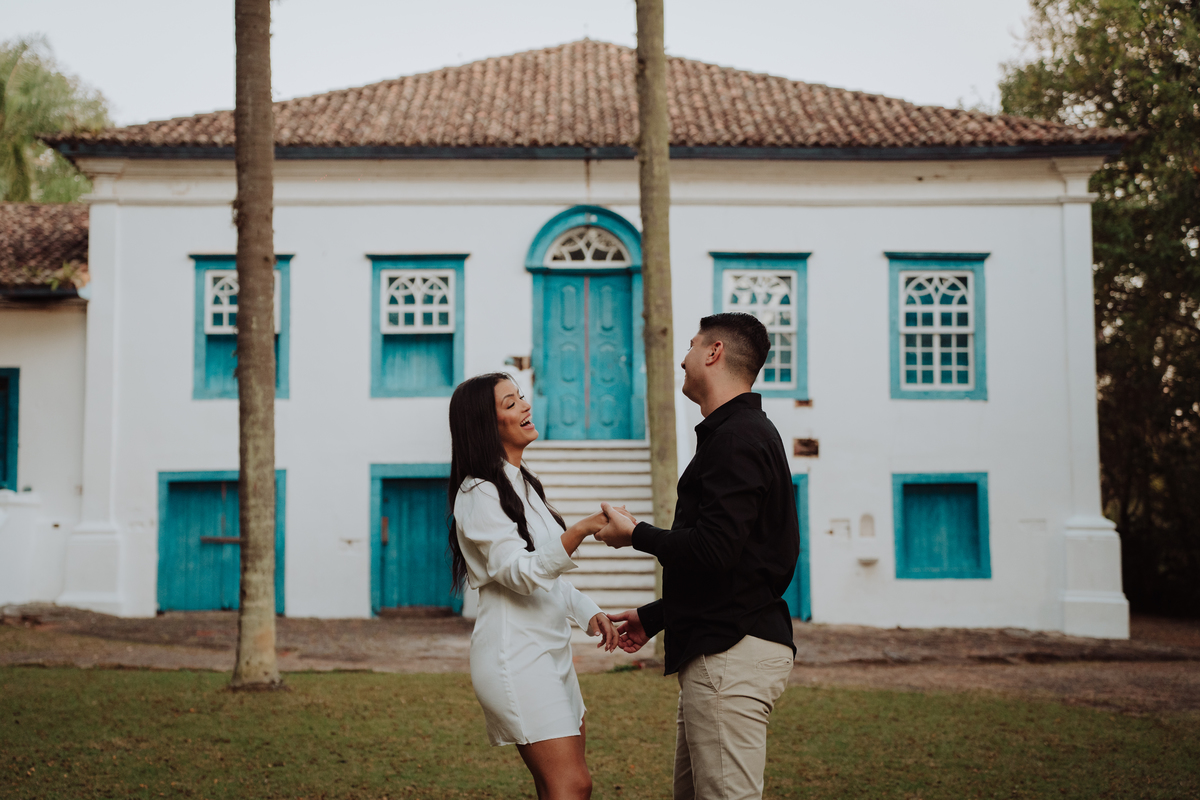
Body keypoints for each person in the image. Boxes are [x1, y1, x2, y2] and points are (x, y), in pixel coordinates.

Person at [596, 313, 800, 800]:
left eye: (690, 345)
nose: (682, 359)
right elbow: (738, 565)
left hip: (731, 655)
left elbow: (714, 550)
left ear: (714, 353)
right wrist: (657, 616)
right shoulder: (739, 433)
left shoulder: (737, 438)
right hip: (723, 647)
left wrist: (636, 534)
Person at [448, 372, 619, 800]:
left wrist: (588, 612)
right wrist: (580, 529)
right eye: (510, 403)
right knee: (572, 784)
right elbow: (519, 574)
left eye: (521, 397)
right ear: (486, 425)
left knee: (561, 786)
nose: (526, 405)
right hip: (517, 657)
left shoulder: (522, 482)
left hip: (552, 651)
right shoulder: (478, 492)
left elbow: (546, 575)